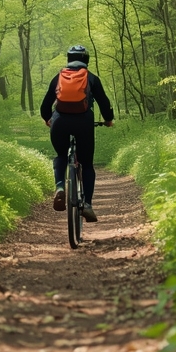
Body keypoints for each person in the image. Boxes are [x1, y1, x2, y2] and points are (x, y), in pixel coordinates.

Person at [41, 45, 114, 221]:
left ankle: (60, 187)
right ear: (86, 60)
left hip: (59, 122)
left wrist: (48, 119)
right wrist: (108, 119)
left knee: (60, 155)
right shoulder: (91, 78)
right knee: (87, 164)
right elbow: (104, 103)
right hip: (84, 123)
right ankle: (87, 204)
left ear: (68, 58)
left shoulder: (58, 78)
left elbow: (45, 106)